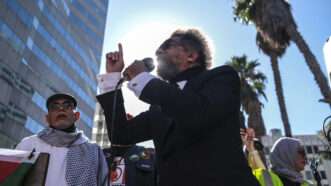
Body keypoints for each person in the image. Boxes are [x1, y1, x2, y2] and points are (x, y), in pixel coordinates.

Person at [97, 28, 259, 186]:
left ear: (191, 55)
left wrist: (143, 80)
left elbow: (199, 112)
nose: (158, 51)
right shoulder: (158, 107)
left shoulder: (222, 77)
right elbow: (121, 135)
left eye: (167, 45)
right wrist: (112, 79)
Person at [16, 93, 109, 186]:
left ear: (76, 116)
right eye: (54, 107)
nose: (61, 109)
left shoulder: (93, 151)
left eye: (67, 106)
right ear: (47, 118)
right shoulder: (28, 144)